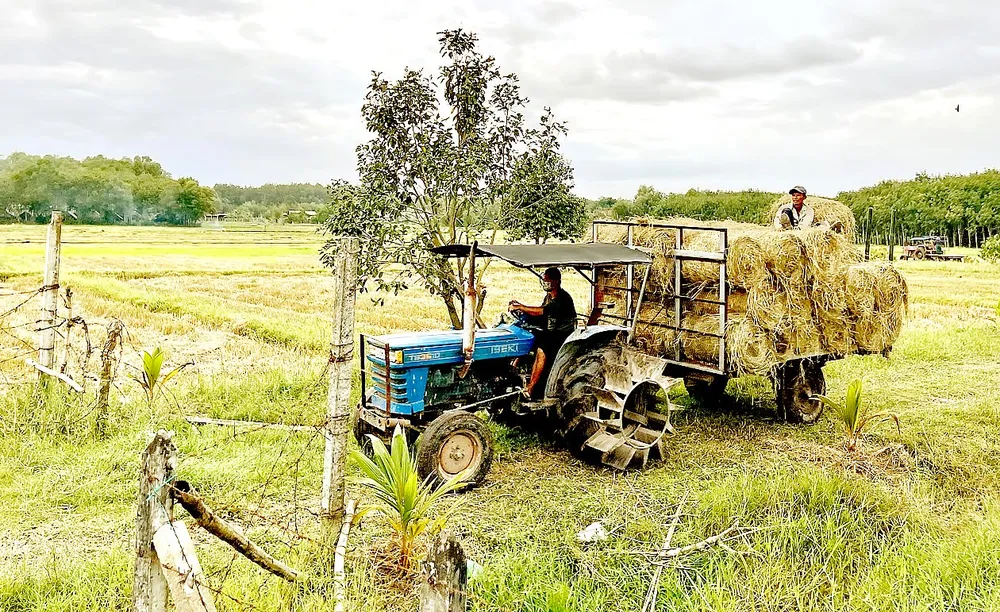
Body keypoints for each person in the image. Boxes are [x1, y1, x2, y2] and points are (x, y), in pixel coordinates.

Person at [508, 267, 577, 399]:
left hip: (562, 335)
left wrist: (521, 307)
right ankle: (513, 368)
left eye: (547, 280)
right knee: (527, 336)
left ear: (556, 281)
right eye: (544, 280)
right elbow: (540, 314)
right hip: (551, 332)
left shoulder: (563, 298)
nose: (545, 282)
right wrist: (522, 309)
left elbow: (542, 311)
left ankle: (531, 388)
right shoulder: (548, 297)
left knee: (542, 347)